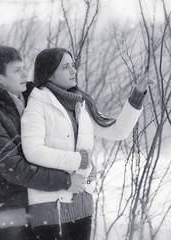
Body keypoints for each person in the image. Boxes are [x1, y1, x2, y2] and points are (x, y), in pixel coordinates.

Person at [20, 47, 154, 239]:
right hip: (49, 205)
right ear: (49, 73)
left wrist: (137, 95)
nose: (74, 71)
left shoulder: (80, 105)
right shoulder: (37, 103)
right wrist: (80, 161)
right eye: (66, 67)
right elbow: (33, 151)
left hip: (81, 202)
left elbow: (118, 131)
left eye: (73, 65)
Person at [0, 45, 85, 240]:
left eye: (23, 67)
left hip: (39, 203)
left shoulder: (32, 97)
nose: (24, 73)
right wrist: (65, 181)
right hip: (8, 211)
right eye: (16, 70)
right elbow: (14, 168)